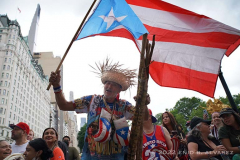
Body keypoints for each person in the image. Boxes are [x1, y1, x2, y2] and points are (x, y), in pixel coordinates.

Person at [49, 59, 149, 160]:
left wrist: (144, 104)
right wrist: (57, 86)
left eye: (113, 84)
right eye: (107, 83)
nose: (109, 86)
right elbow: (64, 106)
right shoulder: (92, 100)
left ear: (119, 89)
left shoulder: (123, 105)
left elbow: (143, 117)